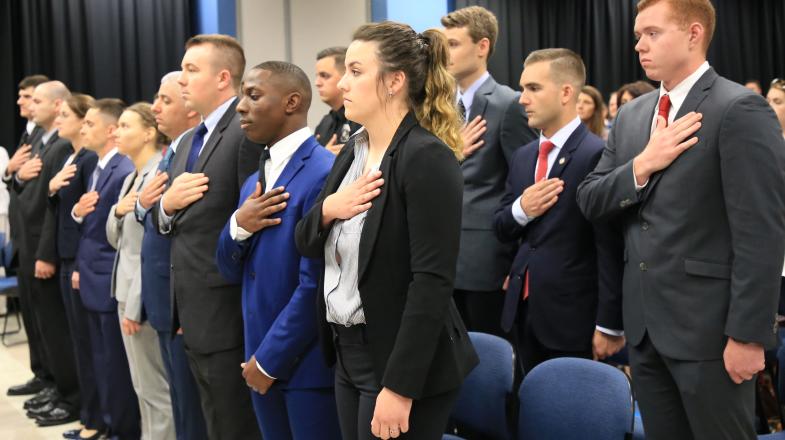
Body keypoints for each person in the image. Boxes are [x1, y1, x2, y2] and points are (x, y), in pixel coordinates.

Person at [576, 1, 785, 438]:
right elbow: (591, 199)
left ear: (693, 34)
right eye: (637, 35)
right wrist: (642, 166)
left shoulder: (739, 109)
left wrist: (749, 336)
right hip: (646, 329)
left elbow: (761, 234)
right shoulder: (634, 115)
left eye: (652, 33)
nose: (638, 46)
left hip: (713, 334)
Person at [295, 21, 479, 440]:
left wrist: (399, 387)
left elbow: (431, 282)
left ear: (395, 81)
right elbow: (304, 241)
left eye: (356, 71)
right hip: (348, 351)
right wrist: (328, 209)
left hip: (399, 363)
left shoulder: (425, 158)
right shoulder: (352, 151)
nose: (342, 82)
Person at [215, 61, 341, 439]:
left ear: (291, 102)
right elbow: (228, 269)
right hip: (257, 353)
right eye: (241, 96)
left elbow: (316, 284)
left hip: (304, 364)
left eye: (253, 95)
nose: (240, 106)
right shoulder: (255, 179)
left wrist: (270, 360)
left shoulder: (324, 171)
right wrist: (239, 224)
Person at [152, 34, 262, 439]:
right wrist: (165, 206)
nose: (181, 79)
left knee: (234, 426)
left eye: (190, 70)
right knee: (213, 422)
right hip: (192, 310)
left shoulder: (244, 130)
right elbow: (173, 221)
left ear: (222, 78)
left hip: (229, 317)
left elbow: (254, 228)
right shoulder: (189, 142)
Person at [495, 49, 623, 373]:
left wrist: (609, 324)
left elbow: (609, 246)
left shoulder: (597, 154)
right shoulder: (524, 155)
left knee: (569, 416)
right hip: (522, 312)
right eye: (522, 88)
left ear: (566, 92)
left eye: (533, 88)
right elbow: (501, 225)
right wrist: (522, 209)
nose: (522, 99)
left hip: (573, 318)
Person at [441, 5, 537, 337]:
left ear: (482, 47)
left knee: (488, 363)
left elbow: (524, 182)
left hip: (486, 261)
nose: (445, 53)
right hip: (437, 258)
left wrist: (518, 261)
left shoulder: (509, 104)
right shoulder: (437, 107)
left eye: (453, 44)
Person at [140, 71, 209, 440]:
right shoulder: (172, 152)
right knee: (180, 405)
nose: (155, 108)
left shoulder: (195, 151)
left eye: (166, 100)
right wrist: (141, 203)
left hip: (186, 302)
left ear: (191, 108)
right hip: (164, 297)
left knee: (193, 411)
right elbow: (148, 211)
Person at [13, 80, 81, 427]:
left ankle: (68, 394)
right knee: (42, 324)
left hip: (45, 247)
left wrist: (45, 253)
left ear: (57, 106)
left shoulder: (58, 147)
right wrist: (16, 176)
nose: (30, 105)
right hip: (31, 243)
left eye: (37, 100)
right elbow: (29, 192)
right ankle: (54, 384)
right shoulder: (41, 141)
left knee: (56, 328)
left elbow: (48, 206)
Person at [72, 98, 140, 439]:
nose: (83, 130)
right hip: (92, 274)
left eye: (90, 124)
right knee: (100, 359)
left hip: (108, 276)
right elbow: (90, 222)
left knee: (114, 364)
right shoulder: (99, 167)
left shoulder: (122, 170)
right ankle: (106, 422)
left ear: (110, 130)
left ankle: (120, 429)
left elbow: (116, 236)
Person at [106, 102, 174, 440]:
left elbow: (151, 249)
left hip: (141, 299)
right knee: (141, 387)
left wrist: (135, 305)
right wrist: (118, 211)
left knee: (155, 391)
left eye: (124, 126)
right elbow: (113, 235)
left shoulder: (157, 173)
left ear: (149, 132)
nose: (116, 133)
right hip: (125, 291)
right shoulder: (132, 174)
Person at [47, 93, 105, 439]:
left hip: (81, 260)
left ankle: (95, 417)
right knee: (80, 344)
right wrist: (52, 190)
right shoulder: (72, 158)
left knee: (89, 345)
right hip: (70, 255)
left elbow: (90, 219)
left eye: (67, 115)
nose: (60, 120)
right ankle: (90, 414)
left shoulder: (87, 162)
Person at [5, 74, 53, 400]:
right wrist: (11, 172)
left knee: (48, 319)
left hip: (39, 240)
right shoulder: (29, 134)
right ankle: (41, 374)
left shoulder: (51, 140)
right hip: (24, 238)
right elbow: (18, 180)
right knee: (32, 315)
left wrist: (16, 175)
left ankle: (54, 381)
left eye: (30, 98)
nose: (23, 103)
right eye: (22, 98)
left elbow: (35, 190)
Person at [314, 47, 361, 154]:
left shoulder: (362, 121)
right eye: (317, 76)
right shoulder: (324, 124)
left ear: (346, 76)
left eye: (324, 76)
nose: (317, 83)